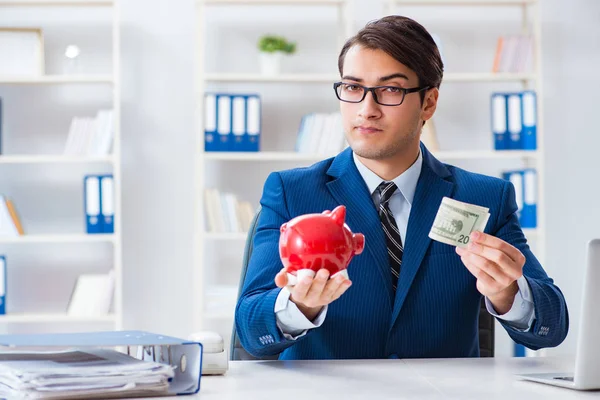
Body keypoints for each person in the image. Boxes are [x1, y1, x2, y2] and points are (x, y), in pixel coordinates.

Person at [234, 15, 568, 359]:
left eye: (390, 90)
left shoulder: (483, 198)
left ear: (429, 102)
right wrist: (298, 306)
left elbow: (552, 328)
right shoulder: (292, 191)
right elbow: (250, 329)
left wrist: (508, 294)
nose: (367, 110)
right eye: (352, 88)